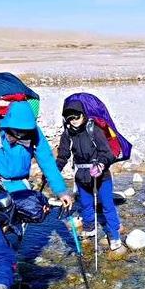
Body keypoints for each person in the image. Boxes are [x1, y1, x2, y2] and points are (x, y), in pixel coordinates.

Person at [0, 99, 73, 206]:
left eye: (26, 130)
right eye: (18, 129)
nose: (22, 134)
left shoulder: (35, 133)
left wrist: (61, 191)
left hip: (21, 188)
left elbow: (47, 162)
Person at [55, 100, 121, 250]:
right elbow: (63, 156)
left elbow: (108, 153)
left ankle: (114, 234)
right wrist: (53, 172)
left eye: (76, 117)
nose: (74, 121)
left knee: (107, 205)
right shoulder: (67, 134)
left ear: (83, 115)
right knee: (85, 204)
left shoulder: (94, 130)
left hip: (100, 175)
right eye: (70, 118)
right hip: (81, 176)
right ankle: (89, 228)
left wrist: (101, 164)